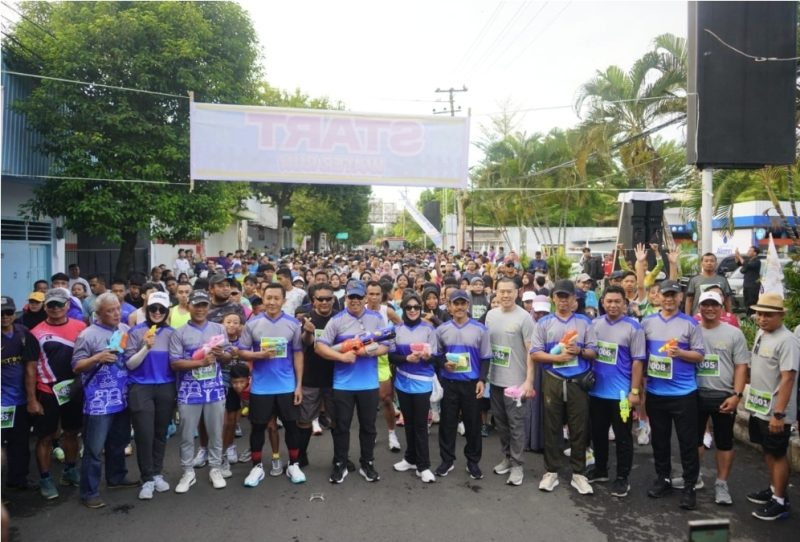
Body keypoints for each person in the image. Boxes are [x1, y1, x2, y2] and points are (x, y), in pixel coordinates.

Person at [315, 280, 390, 484]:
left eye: (359, 297)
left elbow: (387, 345)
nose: (355, 301)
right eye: (351, 297)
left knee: (369, 427)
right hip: (343, 385)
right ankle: (340, 463)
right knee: (341, 427)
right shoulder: (337, 320)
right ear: (345, 298)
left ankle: (368, 463)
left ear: (365, 298)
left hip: (368, 384)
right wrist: (342, 357)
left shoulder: (376, 318)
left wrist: (369, 351)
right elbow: (320, 346)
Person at [641, 279, 705, 511]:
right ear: (657, 297)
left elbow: (699, 355)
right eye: (664, 295)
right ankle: (663, 479)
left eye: (673, 295)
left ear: (679, 297)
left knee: (688, 443)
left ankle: (689, 487)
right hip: (656, 393)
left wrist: (680, 353)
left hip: (684, 393)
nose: (668, 299)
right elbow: (641, 356)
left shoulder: (689, 324)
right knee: (659, 440)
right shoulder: (647, 322)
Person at [683, 290, 749, 506]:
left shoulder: (733, 334)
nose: (709, 309)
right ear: (698, 308)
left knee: (724, 442)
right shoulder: (691, 331)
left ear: (722, 307)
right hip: (695, 393)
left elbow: (741, 366)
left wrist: (737, 395)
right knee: (694, 440)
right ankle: (694, 478)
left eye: (714, 305)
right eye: (705, 305)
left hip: (723, 396)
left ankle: (721, 483)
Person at [72, 293, 138, 508]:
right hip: (98, 402)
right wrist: (97, 357)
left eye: (118, 308)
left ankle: (117, 477)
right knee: (94, 449)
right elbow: (77, 366)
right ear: (98, 313)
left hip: (122, 397)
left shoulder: (124, 330)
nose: (116, 313)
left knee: (118, 443)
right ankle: (89, 492)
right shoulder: (87, 335)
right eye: (110, 310)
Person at [237, 283, 305, 487]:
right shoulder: (252, 324)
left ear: (284, 300)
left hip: (286, 386)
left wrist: (299, 385)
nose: (272, 302)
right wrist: (259, 355)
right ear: (263, 298)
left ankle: (294, 463)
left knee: (292, 427)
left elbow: (298, 354)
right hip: (261, 387)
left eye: (276, 298)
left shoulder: (293, 324)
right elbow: (241, 351)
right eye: (268, 298)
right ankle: (257, 467)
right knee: (257, 428)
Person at [530, 280, 594, 496]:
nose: (563, 300)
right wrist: (557, 356)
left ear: (575, 299)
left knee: (579, 427)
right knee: (551, 426)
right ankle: (551, 471)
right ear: (553, 298)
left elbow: (594, 352)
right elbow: (535, 353)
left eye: (567, 296)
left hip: (578, 380)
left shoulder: (585, 322)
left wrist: (580, 351)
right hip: (553, 378)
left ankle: (579, 473)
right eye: (559, 296)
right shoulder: (544, 323)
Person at [583, 285, 646, 498]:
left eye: (617, 301)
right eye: (609, 301)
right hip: (596, 393)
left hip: (621, 396)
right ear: (602, 302)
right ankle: (601, 469)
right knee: (598, 434)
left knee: (623, 437)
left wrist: (634, 391)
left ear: (625, 304)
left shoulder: (634, 328)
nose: (613, 305)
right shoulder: (594, 325)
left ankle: (622, 477)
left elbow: (638, 362)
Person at [745, 293, 799, 521]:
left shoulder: (787, 340)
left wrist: (779, 413)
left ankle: (780, 501)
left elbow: (788, 378)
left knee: (777, 454)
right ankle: (775, 488)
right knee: (767, 450)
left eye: (769, 314)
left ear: (780, 315)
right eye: (759, 313)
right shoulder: (761, 333)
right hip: (758, 406)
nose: (762, 318)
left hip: (776, 412)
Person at [28, 288, 87, 500]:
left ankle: (70, 470)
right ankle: (45, 478)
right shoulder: (35, 332)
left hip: (73, 390)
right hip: (47, 392)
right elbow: (30, 369)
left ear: (68, 306)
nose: (55, 308)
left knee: (71, 432)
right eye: (51, 305)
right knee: (45, 437)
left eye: (59, 304)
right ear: (45, 307)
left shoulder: (81, 327)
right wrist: (32, 399)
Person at [168, 289, 229, 493]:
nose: (201, 309)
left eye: (204, 305)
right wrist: (200, 362)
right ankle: (187, 472)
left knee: (215, 431)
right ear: (189, 306)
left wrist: (222, 354)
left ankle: (215, 468)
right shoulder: (179, 333)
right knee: (186, 434)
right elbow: (175, 363)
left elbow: (229, 357)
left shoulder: (219, 329)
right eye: (197, 305)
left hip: (214, 389)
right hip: (188, 391)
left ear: (208, 306)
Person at [123, 291, 177, 500]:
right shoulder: (135, 332)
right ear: (146, 309)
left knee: (160, 433)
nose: (156, 312)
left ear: (166, 312)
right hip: (141, 387)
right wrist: (146, 347)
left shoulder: (173, 333)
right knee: (144, 434)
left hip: (166, 387)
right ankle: (146, 478)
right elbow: (130, 364)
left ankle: (156, 473)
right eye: (153, 308)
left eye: (161, 309)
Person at [434, 289, 492, 480]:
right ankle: (447, 460)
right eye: (455, 304)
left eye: (463, 303)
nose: (459, 307)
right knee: (447, 424)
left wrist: (482, 380)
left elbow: (485, 358)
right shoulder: (441, 330)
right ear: (449, 306)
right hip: (450, 383)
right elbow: (437, 355)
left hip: (471, 384)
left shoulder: (480, 329)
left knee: (473, 424)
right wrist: (444, 364)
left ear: (468, 305)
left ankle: (473, 462)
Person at [485, 277, 536, 486]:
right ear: (496, 293)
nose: (505, 295)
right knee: (501, 424)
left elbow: (531, 352)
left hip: (515, 383)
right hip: (495, 380)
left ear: (518, 293)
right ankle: (506, 457)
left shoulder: (525, 318)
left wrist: (529, 382)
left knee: (516, 425)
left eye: (509, 291)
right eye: (501, 291)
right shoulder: (490, 315)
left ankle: (517, 465)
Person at [388, 291, 439, 483]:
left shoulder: (428, 329)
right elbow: (391, 356)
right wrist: (405, 358)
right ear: (403, 309)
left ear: (421, 309)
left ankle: (423, 465)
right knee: (408, 422)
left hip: (422, 382)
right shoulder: (397, 329)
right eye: (408, 307)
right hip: (402, 381)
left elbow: (436, 357)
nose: (412, 310)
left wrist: (427, 357)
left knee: (420, 424)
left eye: (416, 307)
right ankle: (410, 458)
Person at [296, 284, 337, 468]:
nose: (324, 302)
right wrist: (308, 331)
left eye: (328, 298)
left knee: (337, 421)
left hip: (335, 378)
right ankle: (300, 455)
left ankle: (340, 457)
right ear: (313, 301)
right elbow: (305, 344)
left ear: (333, 300)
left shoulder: (340, 318)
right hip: (310, 378)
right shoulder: (306, 319)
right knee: (304, 421)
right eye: (320, 299)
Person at [1, 296, 38, 490]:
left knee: (20, 443)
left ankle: (18, 479)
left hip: (20, 400)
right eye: (1, 314)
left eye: (8, 312)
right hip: (1, 404)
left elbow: (32, 366)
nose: (4, 317)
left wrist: (32, 399)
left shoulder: (23, 333)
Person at [524, 295, 551, 453]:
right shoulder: (527, 323)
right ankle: (530, 440)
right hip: (531, 366)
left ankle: (544, 440)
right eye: (538, 312)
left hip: (548, 365)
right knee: (532, 404)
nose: (540, 315)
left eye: (544, 312)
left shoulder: (551, 322)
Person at [735, 246, 760, 316]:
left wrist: (739, 256)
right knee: (747, 303)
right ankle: (748, 318)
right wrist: (736, 256)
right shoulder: (749, 261)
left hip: (753, 286)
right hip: (746, 285)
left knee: (752, 304)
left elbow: (747, 265)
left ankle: (753, 317)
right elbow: (740, 265)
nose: (748, 252)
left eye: (750, 250)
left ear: (755, 253)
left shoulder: (757, 261)